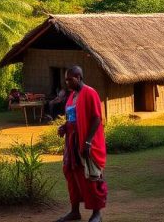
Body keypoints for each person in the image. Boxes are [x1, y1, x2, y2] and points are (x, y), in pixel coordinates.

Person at [56, 66, 106, 222]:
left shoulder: (90, 93)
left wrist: (88, 141)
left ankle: (97, 214)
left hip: (85, 142)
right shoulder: (71, 97)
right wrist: (64, 127)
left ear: (78, 77)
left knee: (91, 176)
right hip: (72, 143)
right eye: (66, 79)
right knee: (72, 176)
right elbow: (72, 119)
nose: (67, 82)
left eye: (69, 79)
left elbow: (97, 118)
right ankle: (74, 211)